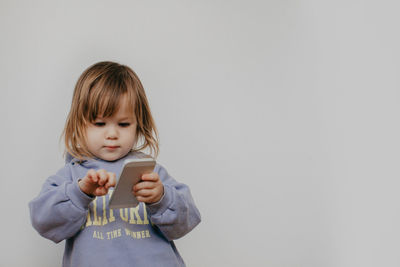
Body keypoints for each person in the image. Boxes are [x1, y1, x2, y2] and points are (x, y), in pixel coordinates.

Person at [29, 61, 201, 267]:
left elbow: (186, 222)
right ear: (79, 124)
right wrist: (80, 192)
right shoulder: (72, 174)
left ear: (139, 125)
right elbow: (43, 222)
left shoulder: (150, 172)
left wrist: (161, 198)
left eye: (124, 124)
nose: (112, 134)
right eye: (100, 123)